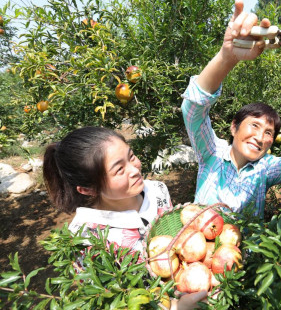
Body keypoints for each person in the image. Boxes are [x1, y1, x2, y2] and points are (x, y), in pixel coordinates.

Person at [181, 0, 281, 217]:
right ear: (234, 127)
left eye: (268, 132)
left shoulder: (264, 170)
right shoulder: (211, 153)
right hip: (198, 248)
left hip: (242, 252)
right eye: (254, 125)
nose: (259, 136)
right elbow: (193, 110)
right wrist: (226, 58)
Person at [42, 126, 206, 310]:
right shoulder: (84, 240)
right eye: (119, 169)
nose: (134, 170)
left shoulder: (158, 190)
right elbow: (109, 301)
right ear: (88, 189)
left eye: (131, 156)